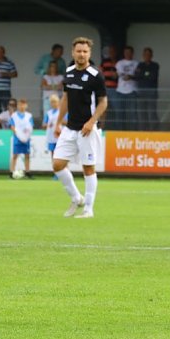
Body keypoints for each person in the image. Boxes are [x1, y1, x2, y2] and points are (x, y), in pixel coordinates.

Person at [53, 37, 108, 219]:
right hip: (70, 128)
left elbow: (103, 102)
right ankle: (77, 198)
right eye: (79, 51)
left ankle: (89, 209)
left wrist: (92, 122)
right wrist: (58, 121)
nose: (82, 54)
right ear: (73, 52)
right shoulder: (68, 72)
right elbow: (65, 99)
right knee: (58, 165)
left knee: (88, 169)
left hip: (88, 130)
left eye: (85, 51)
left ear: (89, 54)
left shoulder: (95, 76)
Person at [0, 45, 18, 117]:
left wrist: (6, 74)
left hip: (5, 90)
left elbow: (15, 74)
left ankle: (7, 125)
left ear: (4, 53)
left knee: (7, 108)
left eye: (0, 52)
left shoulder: (9, 62)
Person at [9, 98, 34, 179]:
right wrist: (18, 135)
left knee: (27, 155)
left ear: (26, 106)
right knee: (15, 155)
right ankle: (11, 172)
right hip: (17, 138)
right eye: (20, 104)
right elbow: (12, 126)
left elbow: (31, 127)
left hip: (26, 138)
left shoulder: (29, 116)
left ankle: (27, 172)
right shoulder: (14, 115)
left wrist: (26, 136)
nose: (21, 106)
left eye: (23, 104)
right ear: (17, 106)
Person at [115, 45, 139, 130]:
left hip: (132, 91)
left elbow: (138, 75)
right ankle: (120, 132)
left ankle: (133, 132)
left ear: (132, 53)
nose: (128, 54)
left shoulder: (137, 63)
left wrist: (131, 76)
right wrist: (128, 76)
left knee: (132, 114)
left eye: (129, 52)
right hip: (120, 91)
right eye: (126, 52)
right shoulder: (119, 63)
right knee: (120, 113)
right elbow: (119, 74)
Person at [135, 47, 160, 128]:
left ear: (151, 55)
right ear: (143, 55)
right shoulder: (140, 65)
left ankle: (153, 131)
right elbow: (137, 76)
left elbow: (153, 76)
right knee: (142, 113)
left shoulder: (155, 65)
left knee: (152, 113)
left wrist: (143, 74)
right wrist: (146, 74)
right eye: (145, 54)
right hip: (141, 92)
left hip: (152, 92)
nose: (147, 56)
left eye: (149, 54)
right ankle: (143, 131)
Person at [100, 45, 118, 128]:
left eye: (113, 52)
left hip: (116, 89)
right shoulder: (105, 62)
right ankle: (102, 127)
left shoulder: (119, 62)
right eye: (110, 52)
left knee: (116, 109)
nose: (111, 53)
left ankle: (116, 128)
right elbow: (99, 72)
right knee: (103, 109)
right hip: (105, 88)